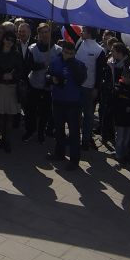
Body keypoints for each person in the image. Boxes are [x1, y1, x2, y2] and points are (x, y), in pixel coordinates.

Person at [47, 36, 86, 166]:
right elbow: (48, 75)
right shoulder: (55, 61)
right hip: (58, 100)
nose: (67, 55)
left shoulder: (79, 64)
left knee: (74, 132)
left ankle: (74, 160)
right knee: (59, 130)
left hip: (73, 102)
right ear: (62, 51)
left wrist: (72, 64)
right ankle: (59, 153)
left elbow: (81, 79)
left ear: (74, 53)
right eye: (65, 52)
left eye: (70, 53)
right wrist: (52, 79)